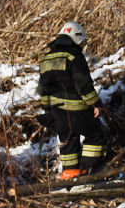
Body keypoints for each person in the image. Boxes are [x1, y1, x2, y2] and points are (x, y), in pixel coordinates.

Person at [38, 21, 108, 180]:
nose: (82, 46)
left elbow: (43, 89)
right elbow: (83, 85)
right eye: (81, 42)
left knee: (68, 140)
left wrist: (48, 111)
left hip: (57, 112)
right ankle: (89, 173)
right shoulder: (74, 56)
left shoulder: (46, 59)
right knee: (95, 135)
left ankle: (69, 174)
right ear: (75, 38)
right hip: (77, 109)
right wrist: (96, 104)